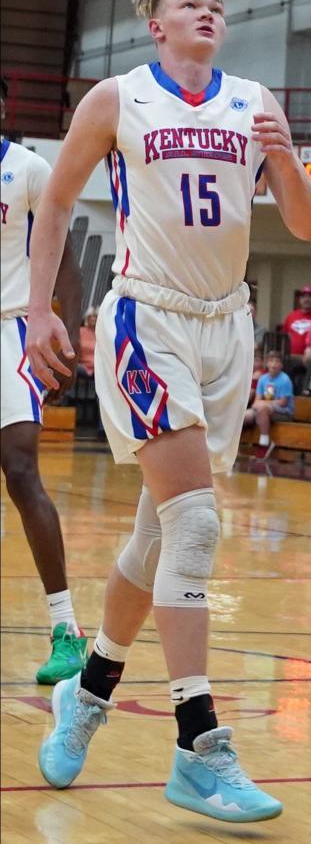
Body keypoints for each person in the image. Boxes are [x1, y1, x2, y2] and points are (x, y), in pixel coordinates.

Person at [27, 0, 311, 822]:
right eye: (189, 1)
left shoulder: (255, 102)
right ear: (155, 23)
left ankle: (87, 693)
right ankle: (199, 743)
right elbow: (56, 204)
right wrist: (42, 305)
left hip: (226, 325)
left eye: (216, 3)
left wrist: (289, 162)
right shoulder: (117, 98)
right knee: (194, 522)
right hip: (145, 318)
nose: (207, 10)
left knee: (159, 533)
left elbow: (306, 224)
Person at [1, 78, 85, 688]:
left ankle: (66, 630)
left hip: (11, 331)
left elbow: (70, 264)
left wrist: (69, 336)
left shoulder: (29, 169)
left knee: (21, 469)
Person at [243, 351, 294, 459]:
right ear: (266, 364)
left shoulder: (285, 379)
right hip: (265, 409)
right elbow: (257, 401)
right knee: (244, 416)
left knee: (262, 408)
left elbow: (283, 402)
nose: (274, 364)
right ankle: (237, 445)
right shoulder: (263, 378)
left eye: (277, 361)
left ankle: (265, 443)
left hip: (283, 412)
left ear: (281, 365)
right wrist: (260, 404)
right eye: (271, 361)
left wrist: (263, 404)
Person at [280, 285, 311, 389]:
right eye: (304, 296)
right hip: (291, 356)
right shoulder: (291, 316)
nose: (307, 299)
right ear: (300, 299)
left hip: (310, 357)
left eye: (310, 296)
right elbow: (284, 336)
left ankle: (305, 394)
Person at [76, 308, 98, 377]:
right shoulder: (80, 331)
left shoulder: (100, 334)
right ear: (87, 319)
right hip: (81, 364)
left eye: (95, 317)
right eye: (91, 317)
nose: (93, 319)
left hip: (97, 366)